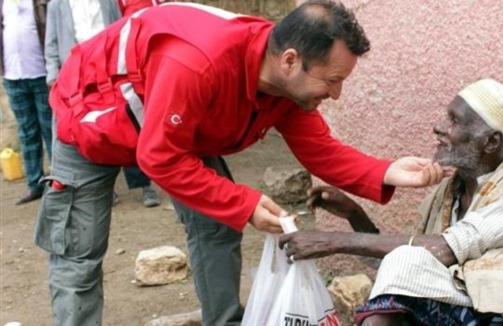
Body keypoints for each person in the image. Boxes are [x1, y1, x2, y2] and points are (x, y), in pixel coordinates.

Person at [33, 1, 451, 325]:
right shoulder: (198, 64)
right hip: (91, 121)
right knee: (78, 252)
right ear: (290, 60)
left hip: (180, 129)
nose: (336, 94)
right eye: (331, 81)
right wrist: (244, 203)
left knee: (217, 227)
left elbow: (320, 149)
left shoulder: (285, 86)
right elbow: (159, 157)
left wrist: (386, 171)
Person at [280, 79, 503, 325]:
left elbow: (444, 248)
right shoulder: (447, 194)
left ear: (490, 142)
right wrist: (353, 213)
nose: (438, 128)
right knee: (405, 262)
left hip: (502, 312)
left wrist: (332, 241)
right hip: (450, 308)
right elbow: (402, 262)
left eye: (453, 120)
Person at [45, 0, 160, 208]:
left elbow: (122, 26)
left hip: (110, 69)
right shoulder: (57, 5)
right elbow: (51, 43)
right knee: (90, 132)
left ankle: (144, 185)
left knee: (127, 126)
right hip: (78, 75)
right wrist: (53, 75)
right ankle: (108, 189)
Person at [1, 0, 52, 205]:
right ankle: (35, 184)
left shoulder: (41, 2)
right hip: (14, 76)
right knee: (27, 131)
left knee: (50, 130)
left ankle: (59, 181)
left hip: (41, 74)